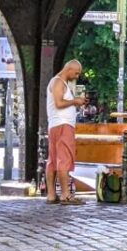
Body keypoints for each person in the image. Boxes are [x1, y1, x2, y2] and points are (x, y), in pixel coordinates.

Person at [46, 60, 86, 205]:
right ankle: (65, 195)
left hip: (56, 125)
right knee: (64, 159)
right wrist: (75, 101)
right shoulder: (58, 82)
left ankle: (51, 195)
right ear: (69, 69)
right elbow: (59, 103)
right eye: (76, 73)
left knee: (53, 160)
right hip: (63, 125)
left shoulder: (59, 82)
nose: (76, 76)